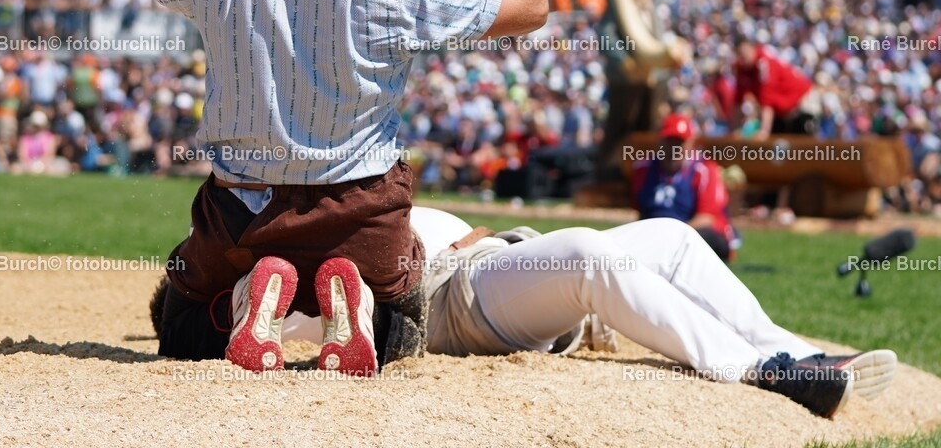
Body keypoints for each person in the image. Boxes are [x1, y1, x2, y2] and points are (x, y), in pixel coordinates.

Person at [125, 0, 548, 375]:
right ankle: (363, 301)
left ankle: (250, 296)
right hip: (363, 218)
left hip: (242, 218)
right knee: (402, 326)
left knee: (181, 326)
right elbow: (530, 3)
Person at [274, 208, 896, 419]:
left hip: (496, 266)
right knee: (589, 254)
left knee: (673, 237)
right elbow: (332, 314)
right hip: (450, 298)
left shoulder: (371, 200)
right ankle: (762, 367)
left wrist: (477, 238)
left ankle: (800, 353)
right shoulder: (302, 267)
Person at [631, 113, 740, 261]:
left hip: (694, 232)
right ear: (660, 141)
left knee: (702, 238)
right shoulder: (643, 169)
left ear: (691, 143)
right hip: (657, 235)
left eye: (679, 143)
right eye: (669, 142)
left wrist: (671, 237)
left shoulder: (704, 170)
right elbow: (640, 212)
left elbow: (708, 218)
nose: (674, 148)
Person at [732, 41, 815, 138]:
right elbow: (737, 101)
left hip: (801, 102)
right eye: (739, 54)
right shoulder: (742, 68)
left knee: (805, 143)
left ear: (752, 49)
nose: (742, 57)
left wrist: (764, 131)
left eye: (744, 53)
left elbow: (767, 99)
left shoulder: (763, 62)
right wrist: (734, 129)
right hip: (780, 113)